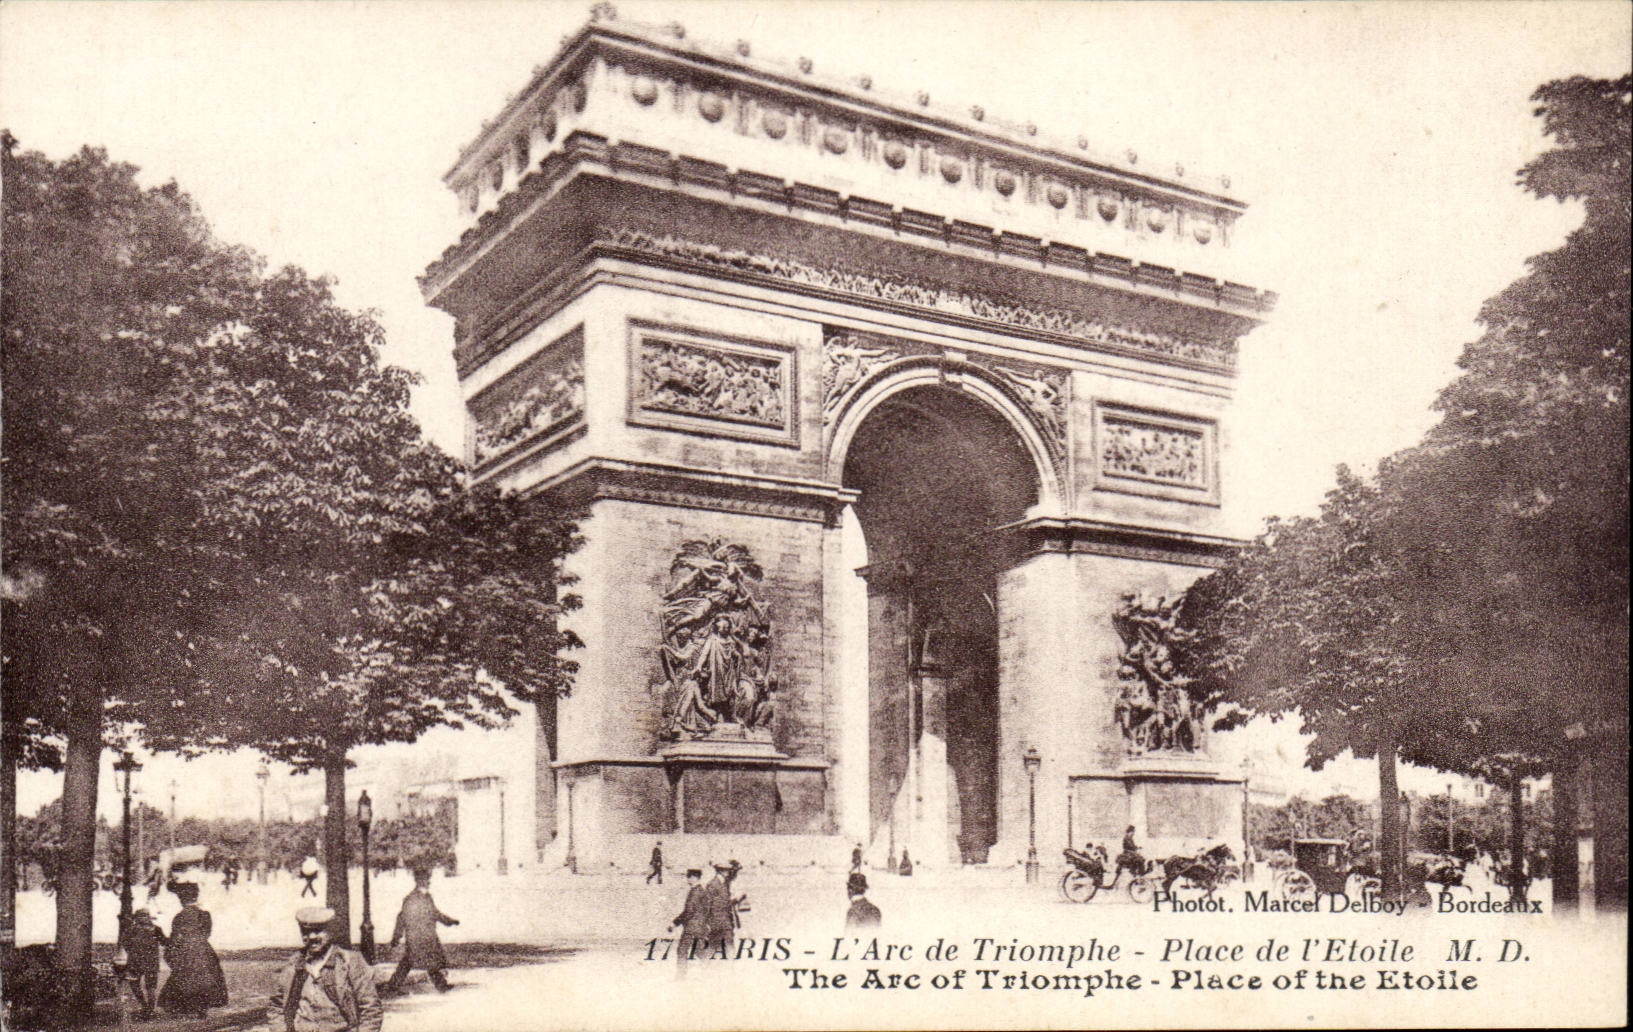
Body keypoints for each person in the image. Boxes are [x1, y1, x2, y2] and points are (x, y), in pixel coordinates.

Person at [268, 906, 383, 1032]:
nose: (311, 937)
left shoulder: (349, 962)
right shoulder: (294, 965)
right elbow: (277, 1006)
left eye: (318, 931)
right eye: (305, 932)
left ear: (331, 931)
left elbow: (371, 1010)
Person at [157, 881, 229, 1017]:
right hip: (203, 951)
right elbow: (207, 933)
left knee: (184, 980)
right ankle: (201, 1011)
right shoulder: (205, 915)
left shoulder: (179, 917)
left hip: (185, 952)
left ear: (182, 899)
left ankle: (188, 1012)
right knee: (205, 980)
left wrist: (162, 938)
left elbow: (174, 940)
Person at [385, 866, 459, 995]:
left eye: (428, 879)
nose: (429, 882)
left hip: (425, 936)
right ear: (420, 881)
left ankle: (441, 985)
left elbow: (435, 914)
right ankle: (393, 986)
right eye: (426, 880)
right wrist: (396, 937)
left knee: (419, 962)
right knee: (412, 962)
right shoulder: (411, 899)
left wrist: (449, 921)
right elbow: (402, 917)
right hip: (418, 936)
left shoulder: (426, 897)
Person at [118, 908, 163, 1018]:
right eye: (141, 916)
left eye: (145, 916)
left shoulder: (155, 929)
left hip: (139, 961)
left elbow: (125, 943)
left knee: (148, 986)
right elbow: (125, 943)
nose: (143, 918)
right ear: (137, 918)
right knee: (140, 985)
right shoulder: (131, 930)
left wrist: (133, 952)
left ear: (148, 917)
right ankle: (147, 1008)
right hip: (143, 961)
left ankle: (148, 1008)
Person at [668, 868, 708, 969]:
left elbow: (689, 911)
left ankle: (681, 977)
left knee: (682, 950)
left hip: (691, 928)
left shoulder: (695, 892)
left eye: (688, 877)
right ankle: (711, 972)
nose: (687, 879)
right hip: (699, 927)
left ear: (694, 878)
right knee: (700, 952)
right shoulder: (701, 890)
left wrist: (674, 923)